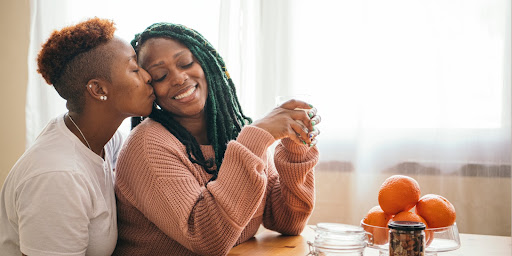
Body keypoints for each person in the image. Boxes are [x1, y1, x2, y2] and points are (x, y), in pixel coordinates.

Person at [113, 22, 322, 256]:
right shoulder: (147, 146)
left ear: (206, 62)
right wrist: (257, 136)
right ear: (150, 89)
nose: (179, 78)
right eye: (160, 75)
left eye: (185, 63)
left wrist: (296, 147)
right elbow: (207, 240)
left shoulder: (233, 132)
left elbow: (288, 221)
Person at [0, 18, 155, 256]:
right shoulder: (58, 177)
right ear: (98, 89)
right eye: (134, 69)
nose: (147, 77)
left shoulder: (105, 140)